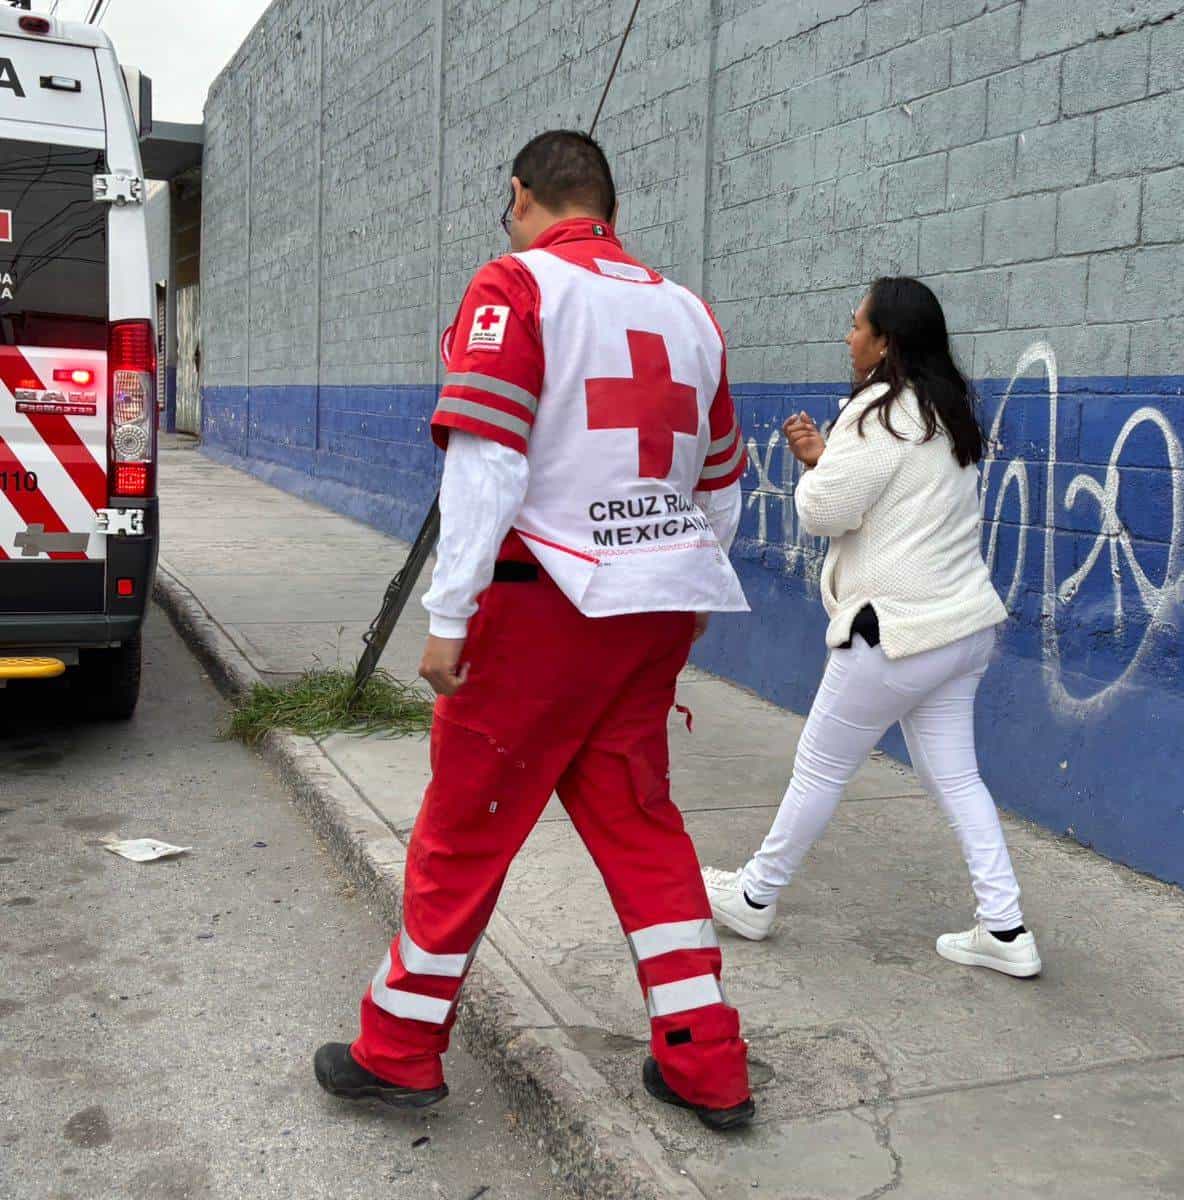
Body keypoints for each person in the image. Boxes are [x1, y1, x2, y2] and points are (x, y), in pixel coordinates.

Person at [313, 131, 756, 1130]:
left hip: (536, 609)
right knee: (643, 830)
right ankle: (706, 1063)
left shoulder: (515, 288)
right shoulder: (690, 313)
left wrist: (449, 612)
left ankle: (398, 1050)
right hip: (651, 608)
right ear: (606, 201)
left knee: (463, 832)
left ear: (520, 196)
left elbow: (488, 461)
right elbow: (722, 492)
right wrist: (679, 603)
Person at [701, 277, 1041, 978]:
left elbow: (825, 514)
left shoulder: (876, 414)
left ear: (885, 341)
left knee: (821, 766)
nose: (847, 336)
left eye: (856, 325)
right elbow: (894, 499)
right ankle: (1005, 930)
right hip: (962, 629)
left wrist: (815, 468)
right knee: (958, 779)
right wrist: (830, 462)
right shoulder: (951, 413)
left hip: (895, 632)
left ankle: (756, 896)